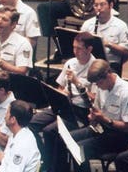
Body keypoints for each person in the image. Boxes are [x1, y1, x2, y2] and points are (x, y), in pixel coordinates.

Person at [55, 59, 128, 172]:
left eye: (99, 83)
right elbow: (97, 109)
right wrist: (93, 117)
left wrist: (105, 119)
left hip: (120, 137)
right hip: (102, 128)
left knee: (80, 148)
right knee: (64, 139)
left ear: (108, 75)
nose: (98, 87)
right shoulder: (103, 87)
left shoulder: (127, 93)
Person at [35, 32, 95, 169]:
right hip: (65, 105)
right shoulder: (70, 63)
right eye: (74, 47)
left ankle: (56, 168)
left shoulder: (95, 67)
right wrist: (63, 93)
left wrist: (77, 82)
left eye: (79, 48)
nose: (75, 51)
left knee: (50, 131)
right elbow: (60, 87)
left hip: (81, 112)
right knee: (31, 123)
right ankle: (45, 160)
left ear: (89, 49)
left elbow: (94, 99)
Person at [80, 0, 128, 74]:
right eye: (96, 5)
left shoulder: (121, 25)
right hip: (89, 63)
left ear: (111, 5)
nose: (99, 8)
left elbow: (126, 53)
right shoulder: (87, 24)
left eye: (102, 4)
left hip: (110, 66)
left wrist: (108, 44)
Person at [0, 100, 41, 172]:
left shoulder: (22, 145)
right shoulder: (16, 134)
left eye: (7, 112)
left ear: (12, 119)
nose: (5, 115)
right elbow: (7, 162)